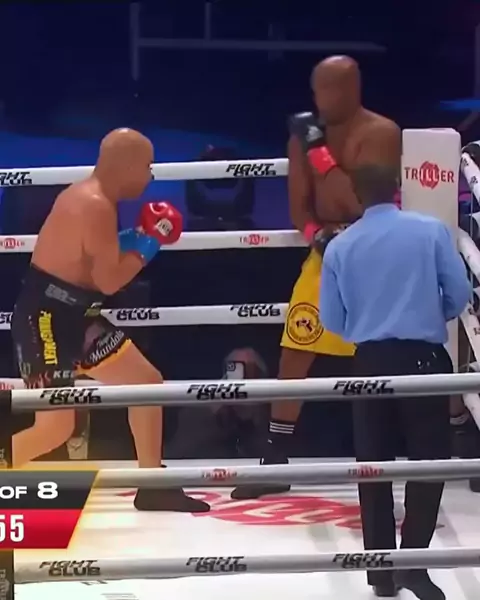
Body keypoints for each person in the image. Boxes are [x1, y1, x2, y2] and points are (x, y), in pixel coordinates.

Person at [11, 127, 210, 513]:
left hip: (78, 317)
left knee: (146, 383)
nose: (150, 175)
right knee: (54, 429)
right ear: (128, 165)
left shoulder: (93, 199)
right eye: (148, 166)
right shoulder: (95, 203)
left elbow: (94, 261)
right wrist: (150, 241)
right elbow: (109, 280)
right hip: (46, 322)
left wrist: (136, 235)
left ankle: (152, 485)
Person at [232, 55, 401, 500]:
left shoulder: (380, 133)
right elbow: (299, 207)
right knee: (295, 350)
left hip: (377, 247)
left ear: (354, 88)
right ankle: (274, 459)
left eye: (335, 89)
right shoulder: (302, 136)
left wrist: (320, 153)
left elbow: (361, 203)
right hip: (325, 252)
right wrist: (316, 235)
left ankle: (450, 440)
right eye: (320, 90)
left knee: (393, 351)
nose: (326, 99)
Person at [319, 164, 471, 599]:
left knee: (373, 466)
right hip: (423, 357)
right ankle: (412, 566)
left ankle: (381, 573)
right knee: (428, 463)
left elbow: (332, 320)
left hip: (369, 361)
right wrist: (424, 315)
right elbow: (459, 295)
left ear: (355, 194)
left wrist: (370, 325)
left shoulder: (340, 246)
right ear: (398, 189)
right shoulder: (430, 231)